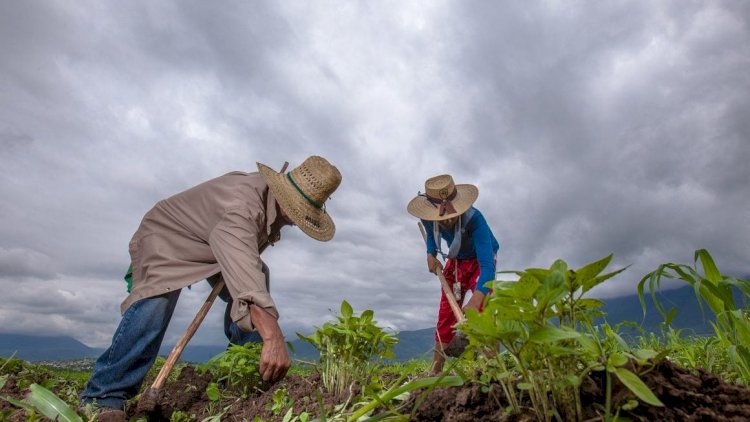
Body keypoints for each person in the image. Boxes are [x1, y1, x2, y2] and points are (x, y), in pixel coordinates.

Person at [80, 155, 342, 418]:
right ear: (285, 198)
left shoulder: (265, 203)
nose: (297, 221)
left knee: (258, 274)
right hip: (166, 237)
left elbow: (246, 266)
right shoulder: (242, 207)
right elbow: (246, 277)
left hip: (210, 242)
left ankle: (244, 374)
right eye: (297, 213)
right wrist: (273, 336)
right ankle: (105, 395)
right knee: (156, 300)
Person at [407, 174, 499, 374]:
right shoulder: (428, 217)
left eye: (450, 217)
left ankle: (494, 369)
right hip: (456, 260)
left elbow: (487, 267)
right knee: (446, 312)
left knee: (485, 308)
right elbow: (431, 235)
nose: (446, 222)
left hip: (479, 260)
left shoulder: (475, 220)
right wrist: (431, 253)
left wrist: (476, 299)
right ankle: (436, 369)